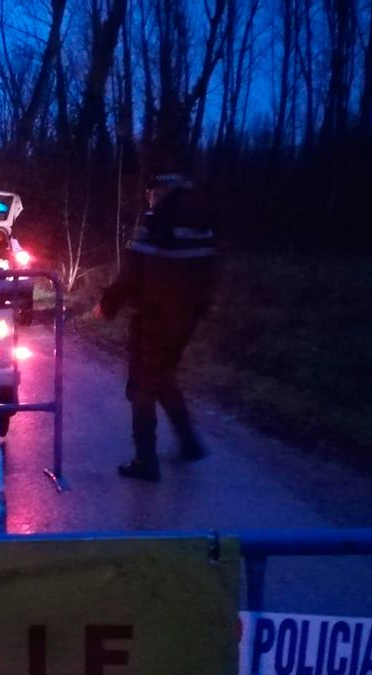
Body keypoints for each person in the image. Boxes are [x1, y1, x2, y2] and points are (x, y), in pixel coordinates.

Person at [97, 173, 217, 481]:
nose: (148, 199)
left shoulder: (154, 227)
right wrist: (197, 310)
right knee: (161, 376)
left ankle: (145, 460)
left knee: (141, 386)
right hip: (184, 321)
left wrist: (106, 306)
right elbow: (210, 276)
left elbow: (130, 277)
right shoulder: (203, 227)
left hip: (154, 320)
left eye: (151, 193)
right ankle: (189, 443)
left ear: (163, 193)